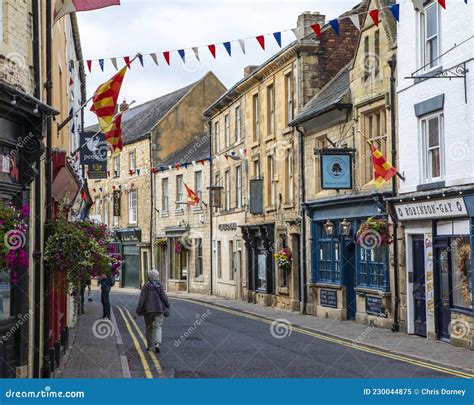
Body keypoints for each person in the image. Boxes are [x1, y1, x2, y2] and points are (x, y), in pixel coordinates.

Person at [135, 269, 170, 353]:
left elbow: (141, 300)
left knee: (149, 327)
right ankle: (157, 344)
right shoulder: (160, 285)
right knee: (158, 326)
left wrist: (137, 312)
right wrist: (167, 305)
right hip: (159, 309)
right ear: (157, 276)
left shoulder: (146, 286)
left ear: (149, 277)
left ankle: (149, 346)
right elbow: (164, 297)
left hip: (148, 310)